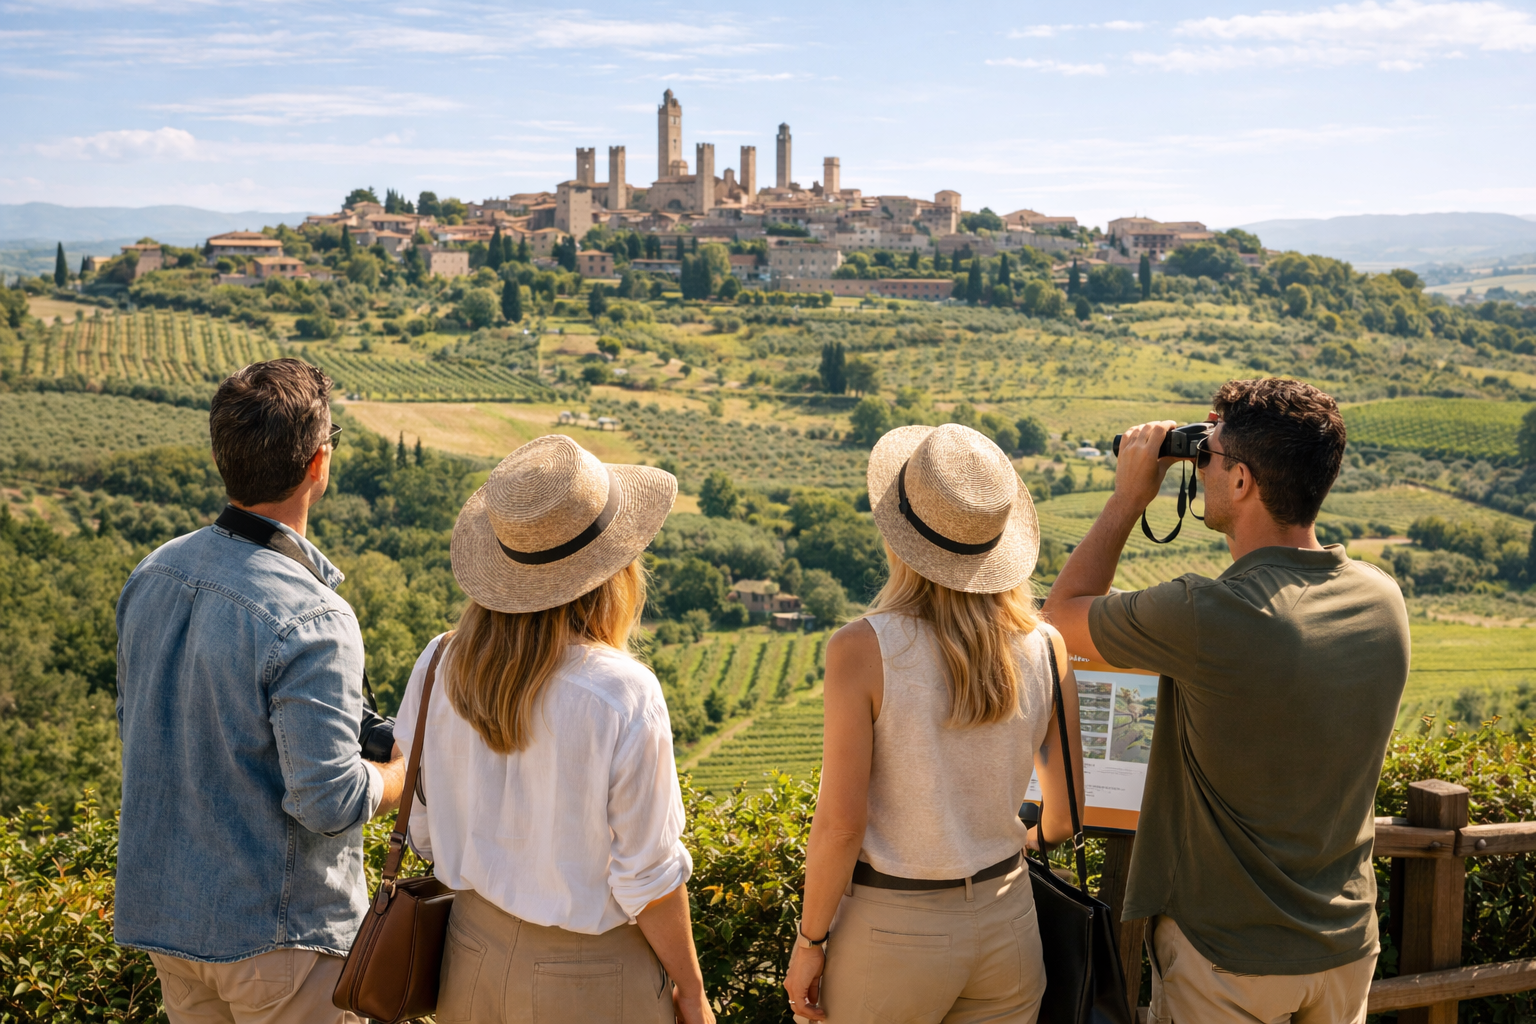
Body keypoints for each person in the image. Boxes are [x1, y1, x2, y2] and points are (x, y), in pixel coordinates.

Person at [1042, 378, 1410, 1024]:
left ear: (1240, 483)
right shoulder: (1384, 603)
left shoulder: (1206, 614)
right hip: (1345, 947)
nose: (1201, 464)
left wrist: (1130, 498)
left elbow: (1059, 617)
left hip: (1227, 959)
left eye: (1208, 453)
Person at [115, 359, 407, 1024]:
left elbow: (146, 730)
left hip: (172, 923)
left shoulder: (153, 573)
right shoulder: (314, 618)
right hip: (283, 939)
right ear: (318, 464)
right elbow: (328, 801)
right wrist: (400, 771)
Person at [397, 434, 714, 1024]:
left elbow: (421, 824)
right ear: (613, 571)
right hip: (592, 977)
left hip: (466, 957)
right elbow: (647, 877)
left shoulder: (440, 661)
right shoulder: (623, 693)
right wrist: (692, 991)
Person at [783, 423, 1085, 1024]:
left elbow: (842, 826)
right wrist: (1008, 843)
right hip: (1009, 924)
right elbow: (1066, 815)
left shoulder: (863, 649)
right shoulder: (1045, 646)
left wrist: (810, 942)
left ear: (899, 535)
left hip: (894, 933)